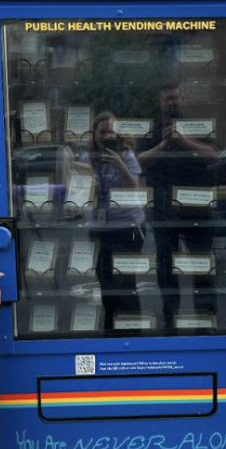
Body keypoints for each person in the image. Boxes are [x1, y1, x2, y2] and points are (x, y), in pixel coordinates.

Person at [137, 81, 220, 331]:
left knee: (202, 266)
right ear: (160, 102)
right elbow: (139, 163)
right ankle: (170, 319)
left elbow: (214, 155)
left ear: (184, 100)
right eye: (167, 99)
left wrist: (184, 140)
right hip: (163, 209)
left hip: (199, 207)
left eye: (175, 98)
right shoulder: (152, 129)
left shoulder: (198, 125)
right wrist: (163, 144)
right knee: (166, 268)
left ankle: (205, 320)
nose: (172, 102)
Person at [77, 112, 146, 328]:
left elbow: (134, 191)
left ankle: (131, 333)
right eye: (102, 132)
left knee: (126, 284)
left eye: (111, 132)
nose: (106, 136)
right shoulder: (86, 159)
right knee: (106, 284)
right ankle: (111, 331)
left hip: (128, 228)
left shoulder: (126, 156)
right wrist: (89, 190)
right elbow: (78, 198)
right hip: (99, 229)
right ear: (94, 134)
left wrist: (120, 166)